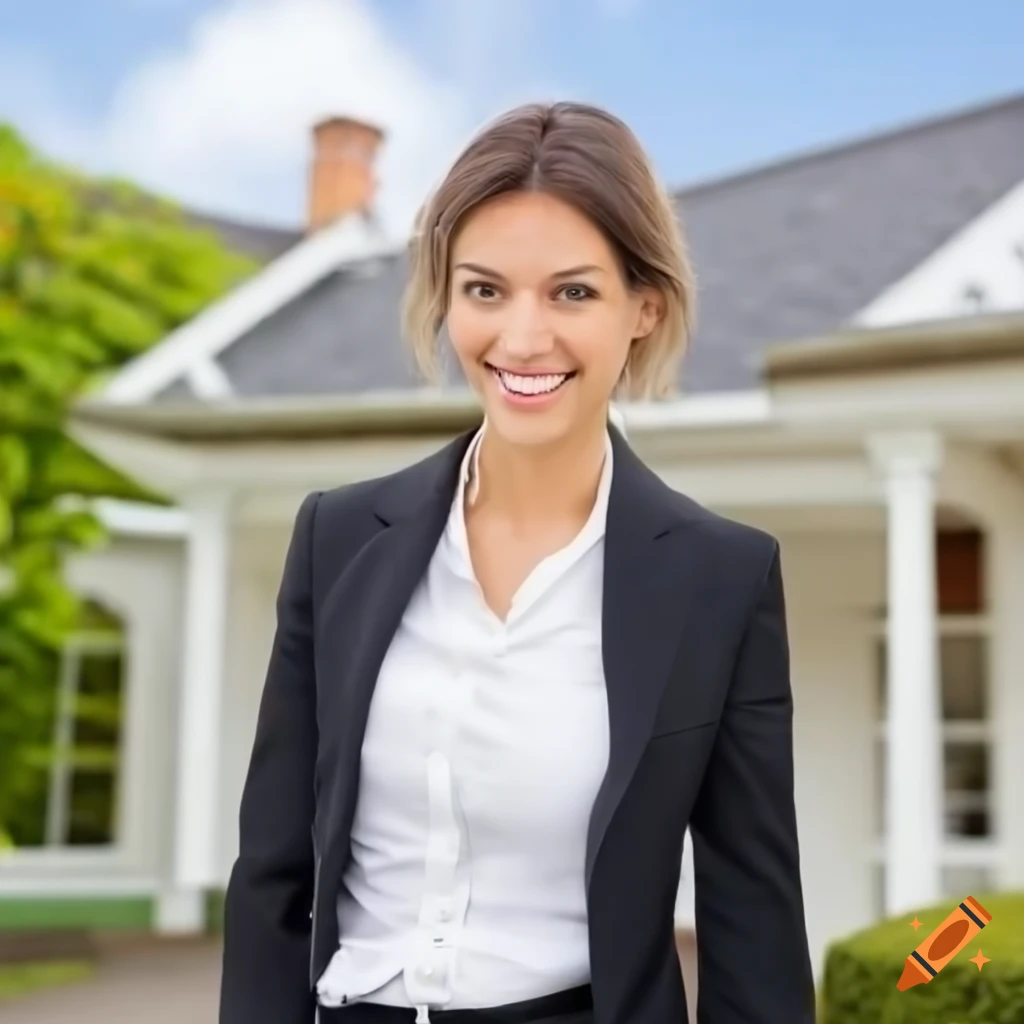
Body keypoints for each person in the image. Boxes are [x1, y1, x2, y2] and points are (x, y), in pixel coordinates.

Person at [219, 101, 815, 1024]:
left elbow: (752, 915)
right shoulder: (337, 540)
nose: (522, 339)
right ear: (445, 299)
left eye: (572, 292)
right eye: (485, 291)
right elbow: (271, 876)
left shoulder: (720, 581)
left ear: (643, 309)